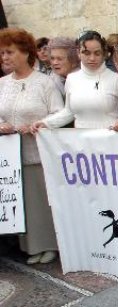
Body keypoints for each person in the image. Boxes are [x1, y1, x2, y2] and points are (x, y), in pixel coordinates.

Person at [0, 28, 64, 264]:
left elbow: (59, 113)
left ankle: (49, 244)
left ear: (26, 53)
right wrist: (2, 126)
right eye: (2, 53)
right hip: (11, 156)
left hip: (38, 152)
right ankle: (30, 246)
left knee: (42, 199)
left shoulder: (44, 83)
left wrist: (39, 124)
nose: (4, 57)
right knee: (23, 201)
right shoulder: (3, 83)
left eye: (9, 52)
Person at [32, 31, 118, 129]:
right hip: (80, 141)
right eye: (86, 53)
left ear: (104, 54)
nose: (92, 58)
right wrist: (46, 123)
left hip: (109, 139)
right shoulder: (72, 79)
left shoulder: (116, 80)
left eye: (97, 53)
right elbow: (69, 112)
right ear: (78, 53)